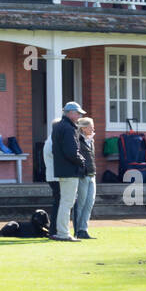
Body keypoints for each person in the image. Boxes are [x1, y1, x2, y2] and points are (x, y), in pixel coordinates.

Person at [50, 101, 86, 241]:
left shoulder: (59, 126)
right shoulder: (68, 128)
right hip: (69, 170)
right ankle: (64, 233)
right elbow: (71, 152)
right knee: (67, 202)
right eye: (77, 113)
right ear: (70, 113)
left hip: (62, 169)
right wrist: (82, 161)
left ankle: (61, 232)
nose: (78, 116)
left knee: (65, 202)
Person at [73, 117, 97, 239]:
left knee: (89, 203)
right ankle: (77, 230)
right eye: (91, 126)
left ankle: (84, 229)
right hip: (83, 175)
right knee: (81, 203)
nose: (93, 128)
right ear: (83, 128)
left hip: (92, 174)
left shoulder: (90, 140)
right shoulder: (77, 140)